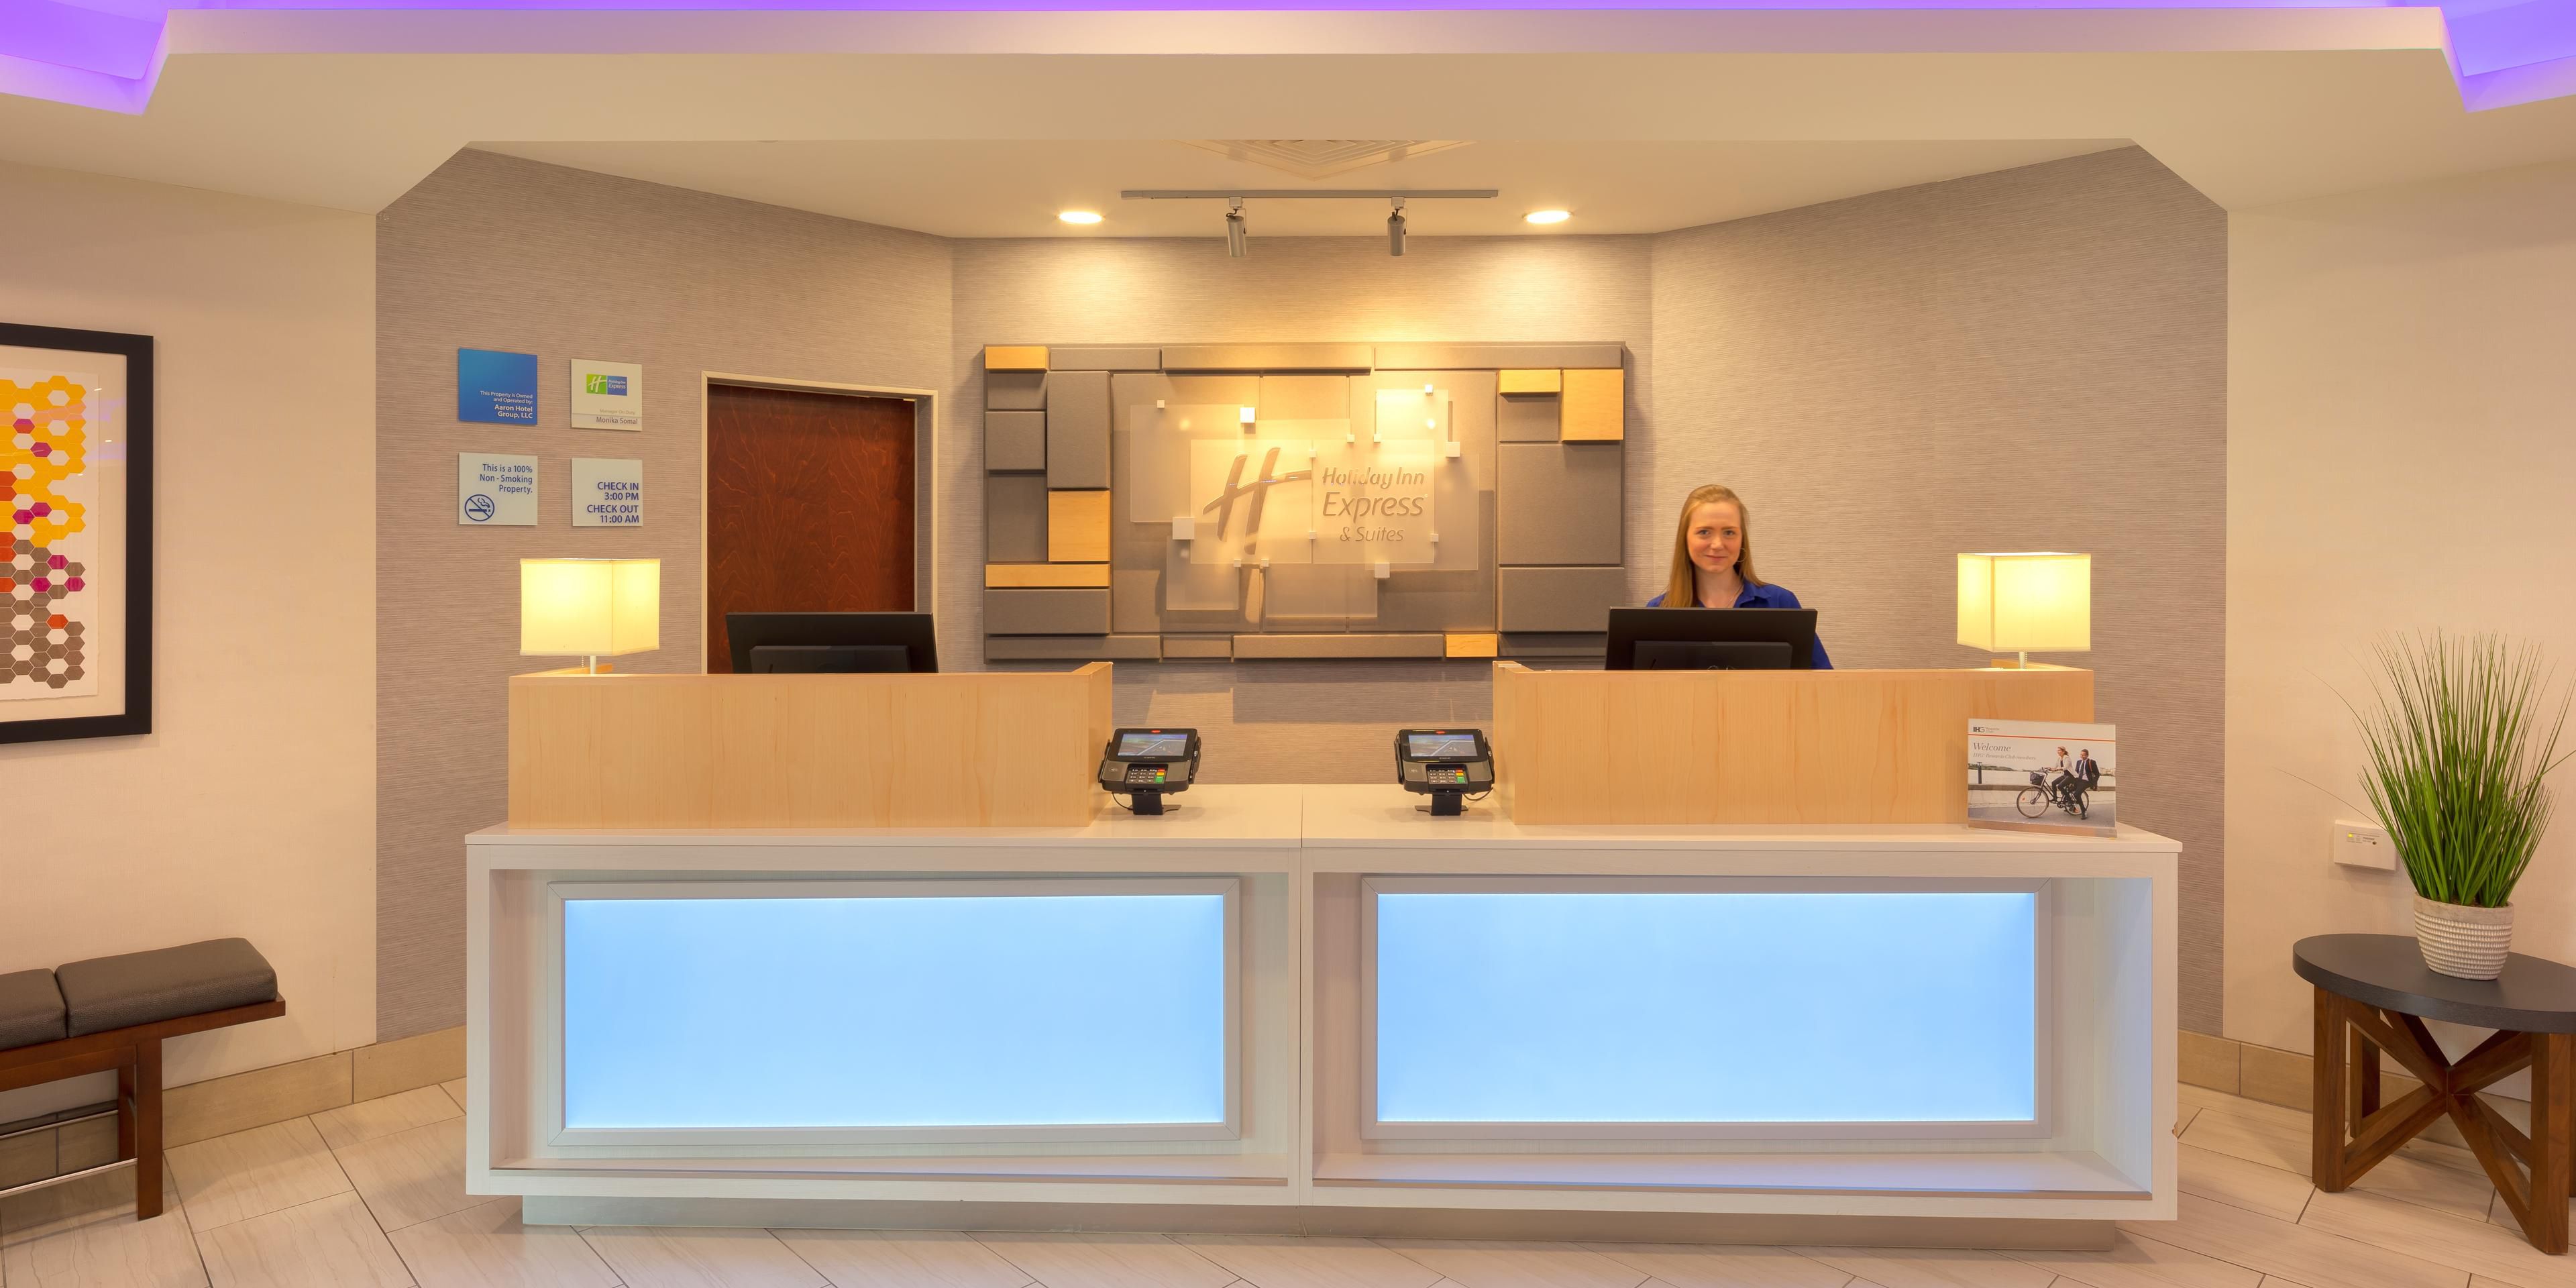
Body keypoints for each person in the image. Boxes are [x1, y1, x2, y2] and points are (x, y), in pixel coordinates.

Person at [1644, 484, 1833, 669]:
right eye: (1704, 532)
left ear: (1742, 539)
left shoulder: (1781, 603)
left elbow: (1822, 682)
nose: (1718, 544)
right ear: (1685, 539)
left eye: (1729, 532)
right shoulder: (1658, 612)